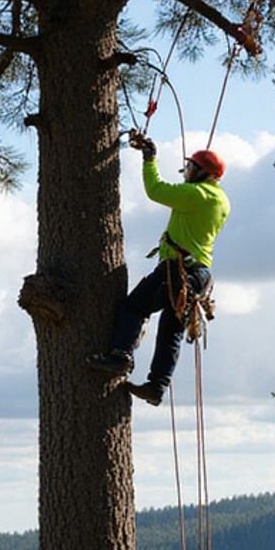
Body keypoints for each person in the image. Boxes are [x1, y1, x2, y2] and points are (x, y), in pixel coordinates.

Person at [85, 130, 231, 405]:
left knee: (134, 307)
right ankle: (156, 387)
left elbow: (156, 191)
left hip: (178, 270)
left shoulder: (198, 194)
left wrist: (149, 159)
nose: (185, 171)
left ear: (202, 172)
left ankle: (119, 356)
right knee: (170, 331)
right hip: (197, 273)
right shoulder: (220, 199)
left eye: (189, 168)